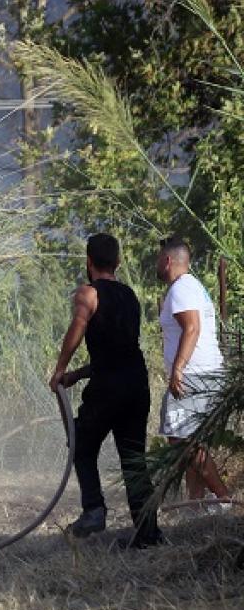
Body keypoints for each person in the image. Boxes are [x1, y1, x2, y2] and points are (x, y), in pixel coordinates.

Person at [49, 233, 164, 548]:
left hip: (109, 387)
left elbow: (79, 325)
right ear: (118, 262)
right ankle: (148, 533)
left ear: (89, 262)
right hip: (136, 384)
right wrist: (76, 374)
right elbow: (118, 352)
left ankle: (94, 510)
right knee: (134, 460)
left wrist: (60, 368)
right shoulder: (129, 296)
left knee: (81, 444)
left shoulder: (88, 293)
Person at [156, 236, 233, 512]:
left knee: (182, 442)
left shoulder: (181, 288)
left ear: (168, 261)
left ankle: (225, 499)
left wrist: (178, 368)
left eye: (158, 258)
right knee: (190, 441)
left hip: (193, 375)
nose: (157, 264)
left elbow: (192, 328)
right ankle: (194, 506)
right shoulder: (191, 286)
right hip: (204, 373)